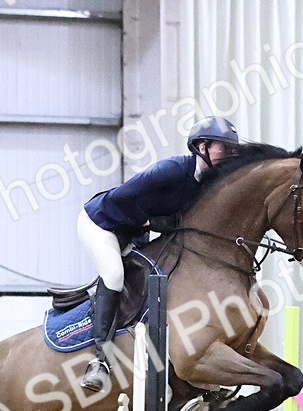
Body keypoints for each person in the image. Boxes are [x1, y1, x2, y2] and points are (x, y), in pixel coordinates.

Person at [76, 115, 240, 392]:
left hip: (133, 231)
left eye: (230, 149)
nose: (227, 154)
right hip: (102, 223)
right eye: (222, 148)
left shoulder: (205, 184)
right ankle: (99, 361)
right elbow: (122, 197)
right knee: (115, 276)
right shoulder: (171, 170)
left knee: (159, 277)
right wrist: (150, 222)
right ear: (201, 146)